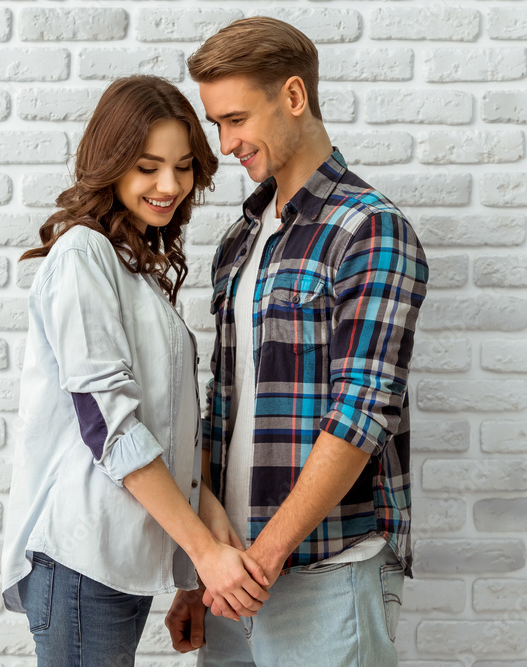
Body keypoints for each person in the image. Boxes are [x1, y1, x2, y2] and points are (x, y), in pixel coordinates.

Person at [165, 17, 429, 665]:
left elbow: (360, 414)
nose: (225, 144)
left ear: (292, 97)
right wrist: (206, 570)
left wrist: (264, 556)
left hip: (325, 574)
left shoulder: (369, 229)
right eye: (215, 124)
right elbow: (220, 411)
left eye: (235, 119)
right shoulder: (239, 240)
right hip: (234, 579)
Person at [1, 75, 271, 667]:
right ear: (112, 162)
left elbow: (175, 424)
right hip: (80, 561)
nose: (169, 186)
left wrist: (199, 559)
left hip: (117, 564)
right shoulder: (82, 255)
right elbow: (110, 425)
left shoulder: (133, 267)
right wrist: (204, 554)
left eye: (182, 167)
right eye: (148, 166)